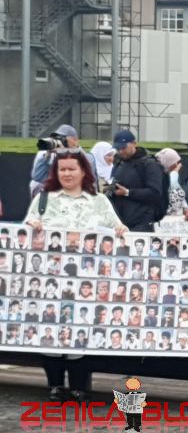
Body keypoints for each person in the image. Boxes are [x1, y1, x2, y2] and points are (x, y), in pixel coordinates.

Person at [24, 149, 127, 403]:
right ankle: (55, 386)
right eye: (62, 169)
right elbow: (26, 232)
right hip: (50, 280)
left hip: (87, 281)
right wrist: (32, 226)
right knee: (51, 331)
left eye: (72, 169)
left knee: (80, 331)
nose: (67, 173)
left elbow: (116, 228)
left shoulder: (98, 201)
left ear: (83, 171)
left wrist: (121, 230)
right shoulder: (44, 199)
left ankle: (79, 386)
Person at [108, 130, 164, 232]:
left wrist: (128, 192)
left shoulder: (149, 164)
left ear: (134, 143)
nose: (121, 151)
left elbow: (155, 192)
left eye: (124, 147)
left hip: (141, 222)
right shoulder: (119, 163)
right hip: (120, 222)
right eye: (118, 148)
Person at [30, 124, 98, 195]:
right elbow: (38, 178)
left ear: (75, 140)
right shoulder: (54, 157)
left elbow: (88, 179)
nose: (59, 141)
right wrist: (47, 155)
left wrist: (70, 151)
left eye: (62, 138)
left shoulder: (88, 157)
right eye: (57, 138)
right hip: (59, 197)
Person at [155, 148, 188, 219]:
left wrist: (185, 208)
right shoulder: (158, 176)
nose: (178, 165)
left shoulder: (174, 177)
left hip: (177, 219)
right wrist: (174, 173)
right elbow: (171, 186)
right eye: (175, 162)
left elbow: (179, 192)